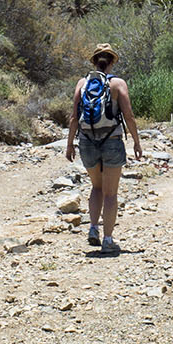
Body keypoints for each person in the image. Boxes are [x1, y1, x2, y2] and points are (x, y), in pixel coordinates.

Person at [66, 43, 142, 252]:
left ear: (94, 61)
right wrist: (136, 141)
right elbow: (129, 116)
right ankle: (108, 240)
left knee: (96, 187)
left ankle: (92, 228)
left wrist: (69, 144)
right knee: (111, 193)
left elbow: (74, 117)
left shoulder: (82, 83)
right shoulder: (118, 84)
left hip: (87, 142)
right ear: (112, 62)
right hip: (112, 141)